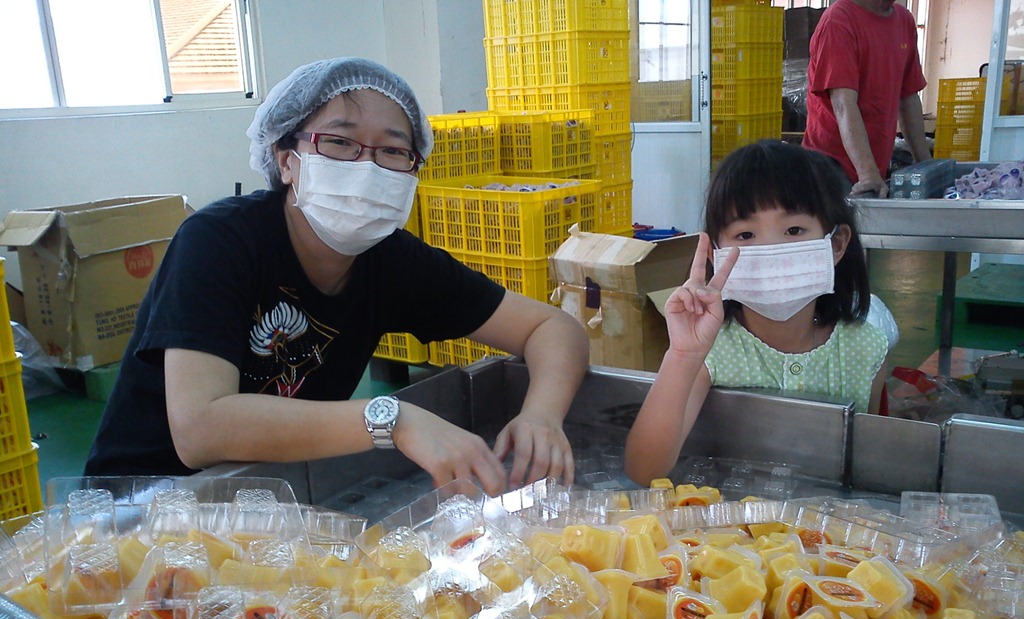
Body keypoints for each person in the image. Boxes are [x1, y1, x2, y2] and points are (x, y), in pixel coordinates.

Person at [85, 57, 589, 496]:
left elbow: (553, 328)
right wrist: (395, 419)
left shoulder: (390, 261)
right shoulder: (220, 241)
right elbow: (200, 430)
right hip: (138, 508)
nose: (367, 166)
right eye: (340, 143)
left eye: (392, 151)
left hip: (267, 498)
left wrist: (542, 416)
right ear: (287, 161)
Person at [624, 140, 890, 485]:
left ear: (836, 244)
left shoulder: (866, 348)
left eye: (793, 230)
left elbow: (869, 469)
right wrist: (682, 356)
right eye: (745, 234)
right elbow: (644, 470)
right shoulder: (711, 350)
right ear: (715, 254)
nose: (770, 249)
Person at [802, 0, 931, 199]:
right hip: (830, 167)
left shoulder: (904, 21)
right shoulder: (839, 20)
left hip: (873, 165)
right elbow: (843, 104)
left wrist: (926, 166)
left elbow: (908, 97)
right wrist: (867, 173)